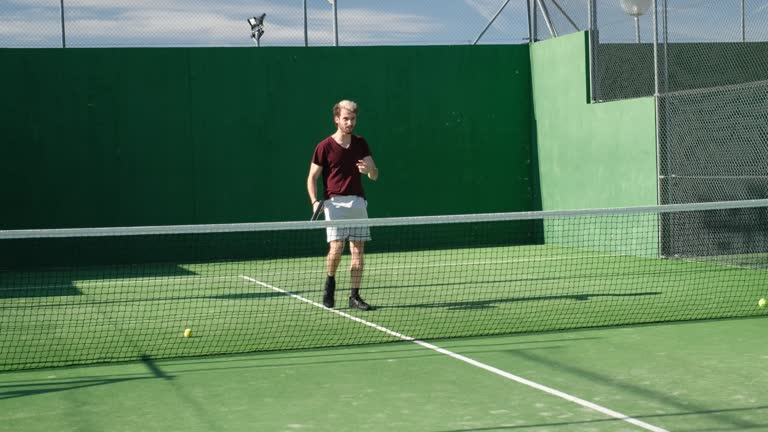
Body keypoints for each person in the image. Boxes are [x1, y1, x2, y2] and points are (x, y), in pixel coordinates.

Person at [307, 100, 379, 311]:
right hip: (334, 204)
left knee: (358, 251)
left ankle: (354, 296)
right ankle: (330, 282)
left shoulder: (360, 143)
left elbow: (375, 174)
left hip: (357, 202)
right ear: (337, 119)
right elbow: (312, 177)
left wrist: (369, 171)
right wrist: (314, 202)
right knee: (336, 249)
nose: (350, 122)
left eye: (353, 119)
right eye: (346, 119)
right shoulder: (324, 147)